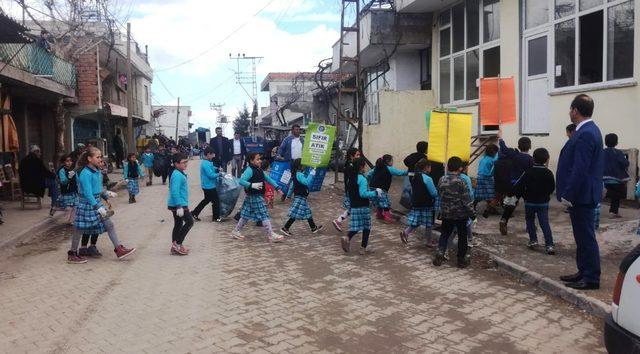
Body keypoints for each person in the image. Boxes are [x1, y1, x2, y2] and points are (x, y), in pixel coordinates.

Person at [556, 94, 604, 290]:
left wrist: (569, 194)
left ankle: (591, 277)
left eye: (570, 109)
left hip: (581, 195)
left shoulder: (586, 133)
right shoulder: (588, 131)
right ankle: (583, 271)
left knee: (586, 236)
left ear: (575, 110)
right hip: (583, 194)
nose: (569, 112)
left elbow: (580, 169)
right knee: (581, 236)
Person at [67, 147, 136, 264]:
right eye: (97, 157)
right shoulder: (85, 173)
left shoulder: (97, 171)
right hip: (87, 204)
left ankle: (118, 249)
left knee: (109, 225)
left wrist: (105, 193)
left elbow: (97, 189)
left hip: (95, 202)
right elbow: (88, 193)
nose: (100, 159)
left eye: (101, 156)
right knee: (79, 229)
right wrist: (97, 207)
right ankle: (72, 253)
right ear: (89, 159)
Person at [232, 152, 284, 242]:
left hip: (253, 197)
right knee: (264, 215)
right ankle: (271, 234)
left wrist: (277, 188)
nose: (260, 161)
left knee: (245, 215)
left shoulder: (259, 170)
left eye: (260, 159)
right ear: (251, 161)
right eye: (257, 159)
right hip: (254, 197)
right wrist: (252, 185)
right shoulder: (249, 170)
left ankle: (236, 231)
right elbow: (241, 181)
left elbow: (268, 179)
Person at [513, 148, 556, 254]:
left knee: (530, 221)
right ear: (546, 160)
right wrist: (546, 195)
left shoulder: (528, 172)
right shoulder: (548, 173)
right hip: (543, 202)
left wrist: (524, 195)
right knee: (544, 222)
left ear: (533, 159)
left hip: (530, 202)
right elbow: (552, 187)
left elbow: (519, 185)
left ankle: (533, 241)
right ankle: (549, 245)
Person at [433, 157, 474, 268]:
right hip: (460, 214)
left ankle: (440, 252)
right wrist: (472, 213)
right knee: (462, 236)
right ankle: (461, 259)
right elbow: (466, 199)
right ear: (460, 168)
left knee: (445, 233)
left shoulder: (442, 179)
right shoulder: (462, 181)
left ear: (448, 167)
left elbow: (439, 193)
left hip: (446, 212)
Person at [340, 158, 381, 255]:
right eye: (364, 166)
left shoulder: (352, 177)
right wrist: (375, 192)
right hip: (363, 206)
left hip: (354, 205)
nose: (365, 168)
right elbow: (363, 193)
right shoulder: (362, 179)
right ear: (361, 167)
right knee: (366, 227)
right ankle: (363, 247)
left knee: (356, 226)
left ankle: (348, 238)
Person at [497, 130, 534, 235]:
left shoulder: (514, 155)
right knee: (528, 205)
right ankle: (529, 226)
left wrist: (500, 138)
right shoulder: (531, 159)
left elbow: (504, 149)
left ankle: (504, 220)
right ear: (530, 146)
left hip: (514, 185)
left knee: (510, 205)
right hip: (526, 186)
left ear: (518, 145)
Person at [400, 158, 438, 247]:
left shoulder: (414, 176)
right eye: (430, 167)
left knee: (417, 221)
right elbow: (433, 193)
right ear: (427, 168)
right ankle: (428, 242)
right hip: (426, 204)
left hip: (416, 203)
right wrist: (439, 191)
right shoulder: (428, 179)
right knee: (429, 223)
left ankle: (405, 232)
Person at [280, 159, 323, 236]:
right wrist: (312, 173)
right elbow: (306, 182)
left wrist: (289, 196)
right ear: (299, 166)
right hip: (300, 196)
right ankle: (285, 228)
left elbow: (292, 186)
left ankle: (313, 228)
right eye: (303, 165)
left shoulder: (296, 174)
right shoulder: (299, 174)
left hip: (301, 196)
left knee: (307, 212)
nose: (304, 166)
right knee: (295, 213)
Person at [367, 154, 408, 223]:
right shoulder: (389, 168)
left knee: (379, 201)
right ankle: (387, 217)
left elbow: (368, 174)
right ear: (388, 161)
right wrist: (408, 172)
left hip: (373, 187)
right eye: (392, 160)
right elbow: (399, 173)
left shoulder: (376, 167)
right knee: (385, 203)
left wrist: (369, 181)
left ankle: (379, 214)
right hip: (381, 188)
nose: (392, 162)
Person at [167, 153, 194, 256]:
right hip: (179, 204)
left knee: (178, 224)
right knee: (190, 222)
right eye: (183, 162)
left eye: (186, 161)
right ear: (176, 164)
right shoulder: (177, 175)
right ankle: (177, 244)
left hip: (178, 203)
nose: (186, 164)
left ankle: (175, 245)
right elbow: (174, 191)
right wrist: (179, 205)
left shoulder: (179, 173)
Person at [332, 148, 360, 232]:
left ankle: (339, 220)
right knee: (354, 208)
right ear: (352, 156)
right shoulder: (350, 166)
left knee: (354, 208)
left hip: (351, 190)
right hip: (351, 190)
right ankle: (340, 221)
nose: (359, 156)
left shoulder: (351, 164)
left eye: (359, 155)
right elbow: (350, 180)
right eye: (357, 155)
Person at [603, 133, 630, 218]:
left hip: (603, 179)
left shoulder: (602, 152)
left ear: (605, 142)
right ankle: (613, 212)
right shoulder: (618, 153)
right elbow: (624, 163)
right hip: (616, 179)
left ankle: (596, 209)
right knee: (616, 196)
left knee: (606, 194)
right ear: (616, 143)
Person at [192, 147, 221, 223]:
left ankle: (194, 213)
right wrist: (219, 174)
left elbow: (211, 168)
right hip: (209, 186)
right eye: (212, 154)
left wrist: (216, 169)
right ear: (208, 154)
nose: (214, 156)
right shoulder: (205, 163)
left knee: (206, 200)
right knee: (216, 202)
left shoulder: (207, 162)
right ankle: (216, 217)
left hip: (207, 185)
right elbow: (211, 175)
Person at [475, 144, 499, 218]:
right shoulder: (492, 160)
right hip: (487, 178)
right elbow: (493, 170)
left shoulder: (483, 158)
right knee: (491, 194)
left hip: (479, 177)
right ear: (494, 152)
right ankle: (491, 209)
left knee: (480, 194)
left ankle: (473, 205)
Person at [55, 155, 78, 224]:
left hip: (74, 191)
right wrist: (68, 177)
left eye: (70, 161)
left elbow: (77, 179)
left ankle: (71, 220)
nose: (69, 162)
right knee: (68, 207)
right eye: (67, 161)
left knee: (75, 206)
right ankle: (56, 207)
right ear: (63, 162)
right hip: (66, 192)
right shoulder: (62, 171)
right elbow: (63, 181)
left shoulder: (73, 170)